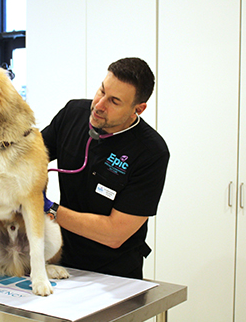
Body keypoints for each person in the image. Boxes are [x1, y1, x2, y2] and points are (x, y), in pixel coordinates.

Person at [42, 57, 169, 279]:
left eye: (114, 101)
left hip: (115, 273)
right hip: (63, 260)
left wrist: (49, 209)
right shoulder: (73, 114)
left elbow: (114, 233)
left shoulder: (150, 152)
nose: (99, 106)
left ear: (138, 109)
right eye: (101, 91)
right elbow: (29, 154)